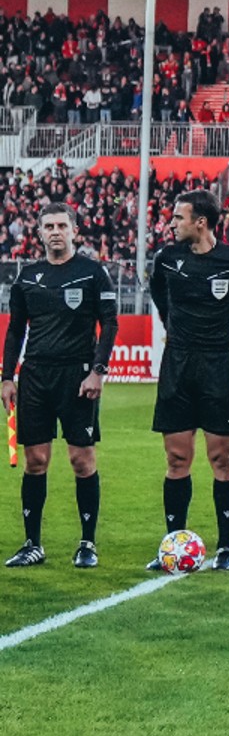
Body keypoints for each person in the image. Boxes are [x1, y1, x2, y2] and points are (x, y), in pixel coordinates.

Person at [149, 189, 229, 571]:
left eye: (178, 217)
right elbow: (158, 292)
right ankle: (171, 545)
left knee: (222, 458)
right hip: (176, 366)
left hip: (218, 367)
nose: (171, 224)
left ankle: (225, 548)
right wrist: (169, 323)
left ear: (200, 222)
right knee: (176, 459)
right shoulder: (166, 258)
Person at [2, 203, 117, 568]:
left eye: (61, 226)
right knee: (35, 461)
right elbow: (16, 329)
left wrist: (98, 370)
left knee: (81, 459)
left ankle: (87, 543)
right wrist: (7, 377)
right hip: (34, 376)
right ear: (38, 233)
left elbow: (109, 324)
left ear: (73, 231)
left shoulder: (92, 273)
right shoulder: (27, 276)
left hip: (77, 375)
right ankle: (32, 543)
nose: (55, 231)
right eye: (48, 225)